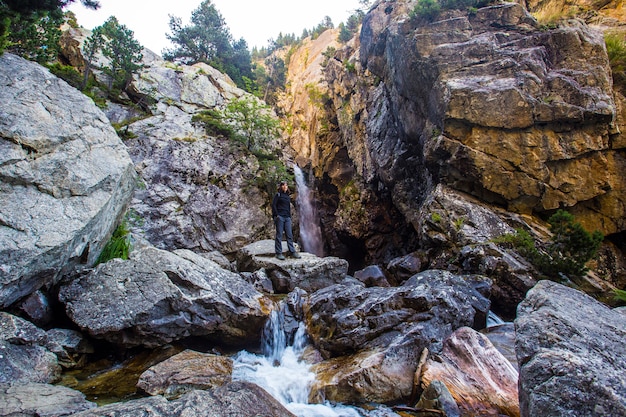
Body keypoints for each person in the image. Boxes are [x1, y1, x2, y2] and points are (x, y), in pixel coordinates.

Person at [272, 181, 301, 260]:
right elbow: (274, 205)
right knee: (279, 235)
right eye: (283, 185)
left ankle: (292, 251)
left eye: (286, 185)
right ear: (281, 187)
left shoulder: (287, 196)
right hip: (280, 217)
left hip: (287, 217)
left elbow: (288, 207)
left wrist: (289, 216)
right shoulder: (278, 195)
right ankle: (278, 253)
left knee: (289, 235)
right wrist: (276, 215)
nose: (285, 186)